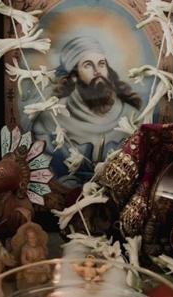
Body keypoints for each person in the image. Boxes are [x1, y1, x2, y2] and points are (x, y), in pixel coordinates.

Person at [31, 36, 143, 186]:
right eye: (88, 65)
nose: (98, 71)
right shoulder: (50, 120)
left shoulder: (131, 116)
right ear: (74, 76)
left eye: (102, 64)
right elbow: (43, 174)